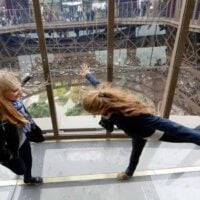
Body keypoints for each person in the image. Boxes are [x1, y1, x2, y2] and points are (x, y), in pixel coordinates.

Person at [80, 63, 200, 180]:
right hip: (137, 134)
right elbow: (98, 86)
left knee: (186, 136)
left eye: (93, 112)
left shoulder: (134, 116)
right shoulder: (104, 98)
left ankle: (129, 172)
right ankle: (129, 172)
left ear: (100, 108)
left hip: (151, 132)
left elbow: (175, 129)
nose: (94, 115)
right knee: (135, 154)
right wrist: (88, 74)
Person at [0, 70, 45, 185]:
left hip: (22, 138)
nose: (20, 93)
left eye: (19, 88)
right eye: (15, 90)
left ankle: (28, 178)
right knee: (21, 169)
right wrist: (8, 157)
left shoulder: (13, 99)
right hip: (9, 147)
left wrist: (25, 78)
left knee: (28, 161)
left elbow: (15, 88)